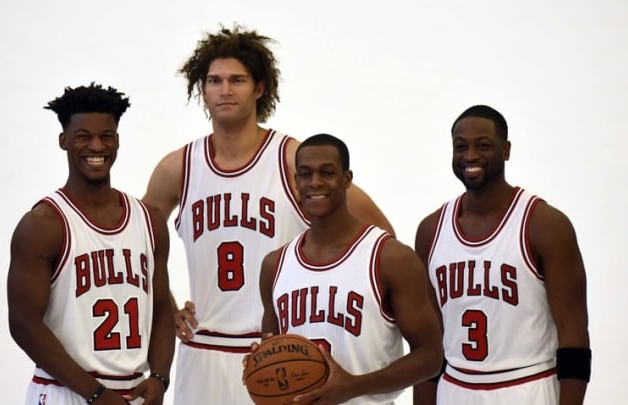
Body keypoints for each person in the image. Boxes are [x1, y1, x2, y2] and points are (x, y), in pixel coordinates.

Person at [142, 25, 394, 404]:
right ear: (202, 89)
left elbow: (378, 236)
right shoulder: (178, 167)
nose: (225, 90)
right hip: (203, 347)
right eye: (214, 81)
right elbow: (134, 241)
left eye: (237, 80)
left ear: (260, 88)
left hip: (278, 353)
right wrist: (166, 303)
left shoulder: (292, 159)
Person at [7, 83, 176, 405]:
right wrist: (94, 393)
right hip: (65, 392)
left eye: (106, 136)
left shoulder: (149, 221)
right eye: (83, 136)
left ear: (117, 141)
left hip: (132, 392)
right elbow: (23, 324)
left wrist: (160, 377)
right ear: (64, 140)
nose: (96, 146)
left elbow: (162, 307)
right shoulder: (43, 225)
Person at [413, 105, 591, 405]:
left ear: (506, 150)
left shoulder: (544, 225)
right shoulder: (431, 230)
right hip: (455, 388)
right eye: (460, 146)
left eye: (482, 145)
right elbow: (429, 344)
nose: (470, 156)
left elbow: (573, 335)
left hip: (526, 387)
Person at [250, 133, 442, 405]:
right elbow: (274, 353)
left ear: (346, 179)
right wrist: (262, 365)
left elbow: (431, 357)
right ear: (296, 183)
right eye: (305, 174)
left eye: (327, 172)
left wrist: (354, 386)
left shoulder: (389, 258)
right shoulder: (275, 265)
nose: (315, 182)